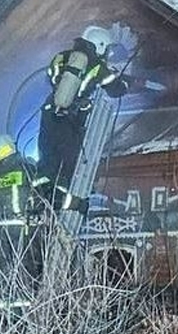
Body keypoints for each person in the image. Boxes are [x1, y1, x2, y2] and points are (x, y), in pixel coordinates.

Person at [36, 23, 128, 210]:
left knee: (47, 159)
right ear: (100, 45)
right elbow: (116, 89)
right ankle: (67, 203)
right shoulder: (97, 67)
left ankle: (43, 197)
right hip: (70, 121)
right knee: (68, 167)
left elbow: (51, 76)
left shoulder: (61, 57)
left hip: (49, 113)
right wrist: (122, 81)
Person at [0, 132, 47, 290]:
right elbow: (47, 193)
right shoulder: (27, 170)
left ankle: (10, 297)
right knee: (30, 270)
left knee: (9, 272)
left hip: (4, 231)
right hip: (27, 229)